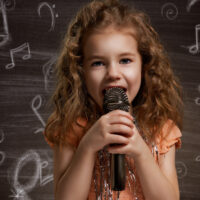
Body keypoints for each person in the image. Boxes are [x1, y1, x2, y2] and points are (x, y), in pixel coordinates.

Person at [44, 0, 183, 199]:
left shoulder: (161, 129)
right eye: (98, 63)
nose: (113, 73)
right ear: (80, 71)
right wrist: (88, 146)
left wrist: (141, 152)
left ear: (144, 66)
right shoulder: (70, 127)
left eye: (125, 60)